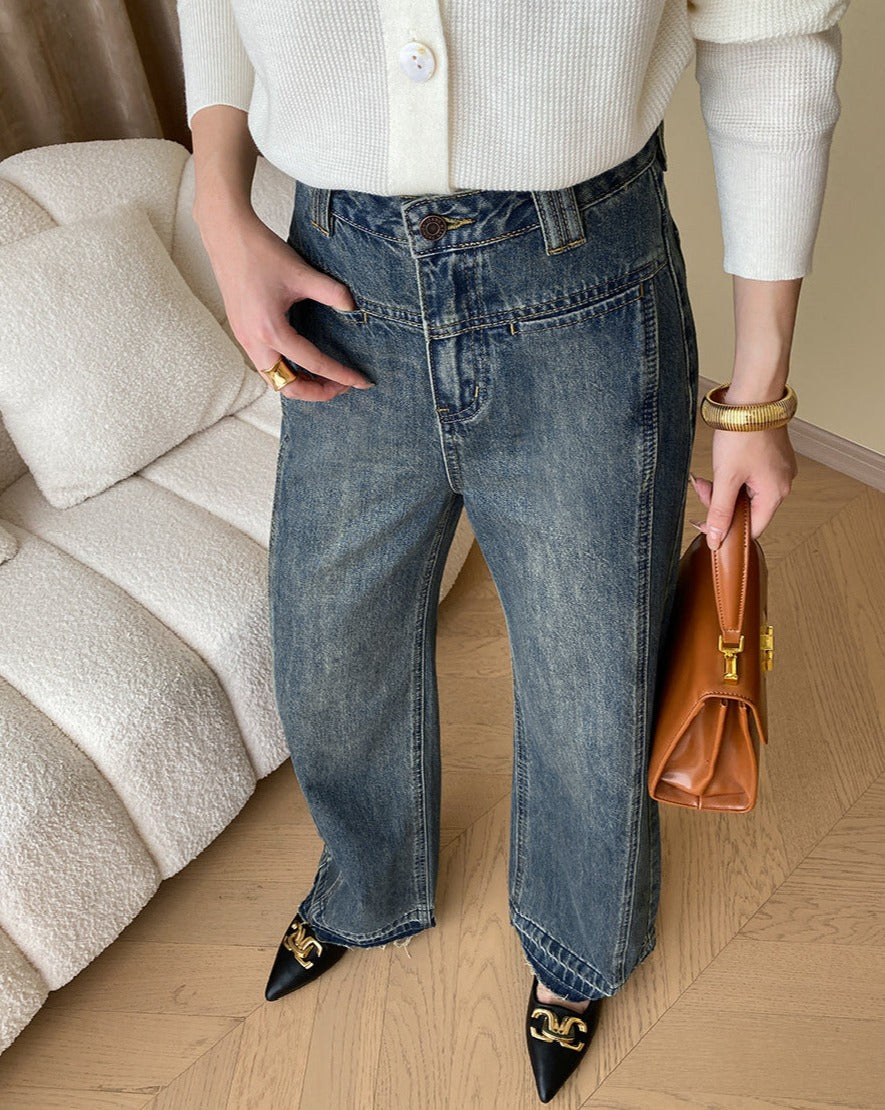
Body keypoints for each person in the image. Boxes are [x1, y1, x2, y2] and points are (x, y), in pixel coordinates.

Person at [176, 2, 848, 1102]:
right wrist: (219, 203)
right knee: (327, 640)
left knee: (595, 673)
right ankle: (365, 880)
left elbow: (768, 36)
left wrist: (759, 394)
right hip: (334, 273)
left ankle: (578, 941)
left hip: (581, 286)